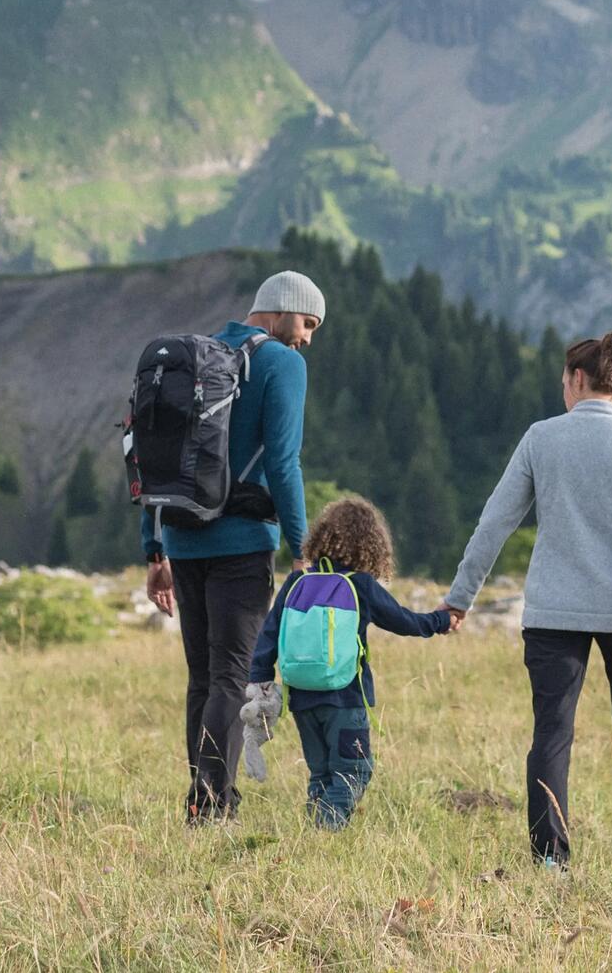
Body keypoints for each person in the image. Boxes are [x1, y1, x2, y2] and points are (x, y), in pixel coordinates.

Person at [443, 331, 612, 866]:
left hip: (551, 611)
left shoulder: (541, 439)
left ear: (577, 378)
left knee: (552, 731)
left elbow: (495, 522)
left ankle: (550, 857)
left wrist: (461, 597)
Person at [143, 269, 324, 824]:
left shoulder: (192, 358)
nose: (308, 337)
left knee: (202, 676)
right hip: (242, 542)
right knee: (232, 677)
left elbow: (155, 454)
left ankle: (206, 793)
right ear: (281, 308)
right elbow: (283, 462)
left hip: (180, 536)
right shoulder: (281, 363)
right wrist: (302, 548)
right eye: (308, 322)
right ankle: (212, 804)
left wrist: (154, 549)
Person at [247, 497, 458, 829]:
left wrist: (259, 680)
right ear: (370, 545)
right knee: (354, 770)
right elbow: (403, 621)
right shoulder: (360, 585)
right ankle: (326, 829)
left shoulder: (296, 582)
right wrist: (441, 622)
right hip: (345, 698)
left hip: (301, 697)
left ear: (320, 538)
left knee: (322, 773)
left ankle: (316, 840)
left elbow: (268, 634)